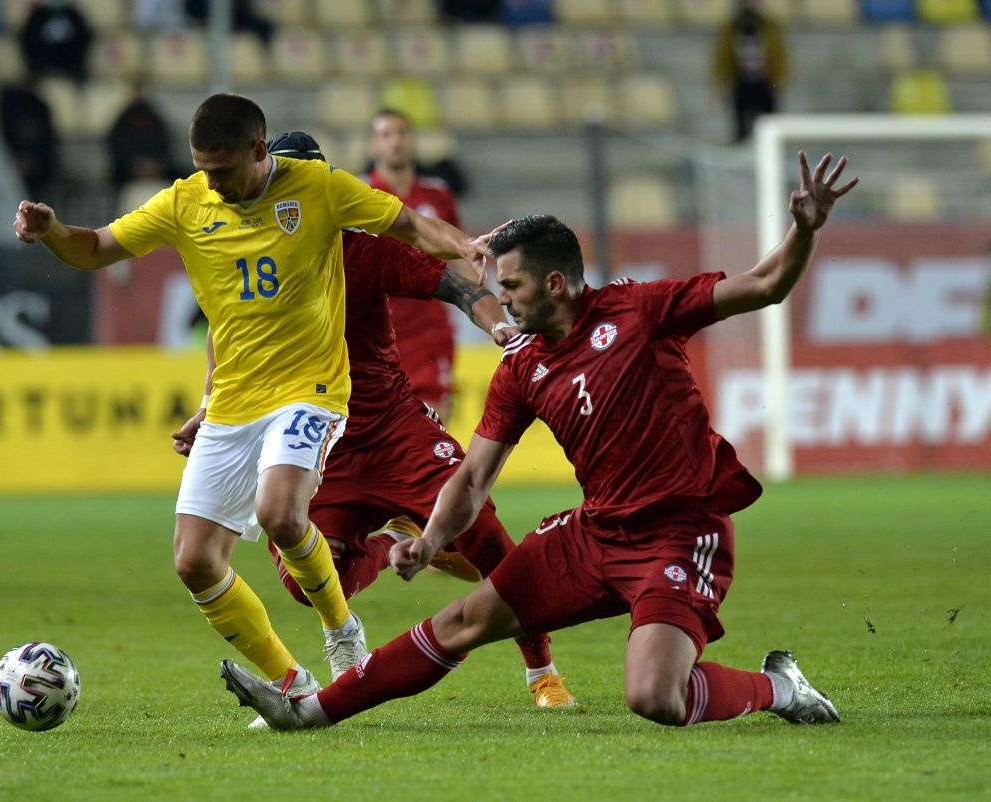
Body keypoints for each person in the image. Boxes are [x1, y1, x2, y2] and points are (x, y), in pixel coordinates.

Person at [221, 151, 859, 731]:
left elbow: (766, 285)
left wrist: (803, 229)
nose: (503, 300)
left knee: (655, 697)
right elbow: (472, 479)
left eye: (513, 287)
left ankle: (778, 688)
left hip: (679, 532)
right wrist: (428, 544)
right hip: (594, 534)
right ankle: (310, 712)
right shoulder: (522, 367)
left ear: (555, 284)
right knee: (461, 620)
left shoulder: (640, 311)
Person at [14, 93, 492, 701]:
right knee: (194, 561)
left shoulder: (316, 186)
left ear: (259, 151)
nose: (209, 180)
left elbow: (409, 223)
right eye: (200, 167)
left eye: (220, 169)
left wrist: (464, 245)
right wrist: (53, 230)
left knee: (279, 513)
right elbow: (95, 248)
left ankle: (341, 628)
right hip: (235, 403)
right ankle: (290, 682)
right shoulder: (186, 201)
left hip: (310, 389)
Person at [241, 132, 575, 709]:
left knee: (487, 538)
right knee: (308, 582)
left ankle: (542, 672)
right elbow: (231, 338)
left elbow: (456, 284)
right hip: (321, 444)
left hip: (395, 430)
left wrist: (497, 326)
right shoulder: (252, 261)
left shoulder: (361, 250)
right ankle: (399, 534)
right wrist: (208, 408)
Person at [365, 109, 466, 422]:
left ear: (413, 141)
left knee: (435, 431)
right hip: (378, 335)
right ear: (373, 146)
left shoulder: (438, 195)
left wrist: (485, 303)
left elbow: (460, 254)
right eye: (386, 134)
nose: (395, 141)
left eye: (402, 133)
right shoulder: (360, 197)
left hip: (430, 333)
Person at [711, 0, 788, 143]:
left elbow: (779, 56)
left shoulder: (770, 27)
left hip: (764, 84)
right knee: (740, 126)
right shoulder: (730, 29)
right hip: (740, 84)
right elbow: (722, 59)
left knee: (768, 124)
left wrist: (779, 80)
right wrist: (721, 85)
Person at [0, 71, 58, 200]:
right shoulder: (7, 105)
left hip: (38, 177)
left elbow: (48, 145)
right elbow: (0, 136)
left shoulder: (41, 108)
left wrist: (36, 164)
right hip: (8, 170)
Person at [107, 78, 175, 193]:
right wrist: (134, 165)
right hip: (127, 170)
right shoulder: (122, 120)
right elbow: (118, 147)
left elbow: (164, 142)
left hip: (155, 168)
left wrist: (155, 165)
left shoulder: (155, 117)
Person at [19, 0, 93, 83]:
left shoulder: (73, 14)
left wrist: (75, 63)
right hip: (42, 69)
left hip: (70, 69)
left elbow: (83, 40)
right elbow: (29, 40)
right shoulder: (38, 15)